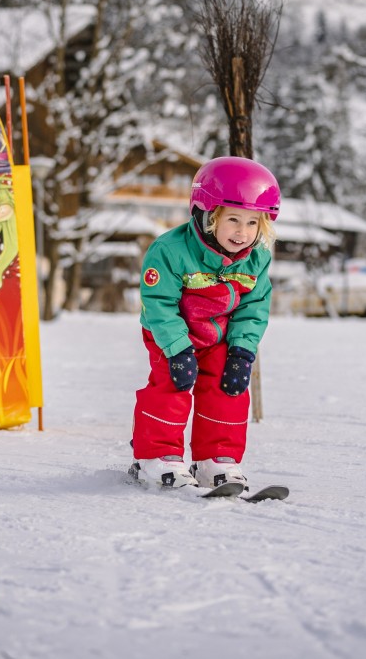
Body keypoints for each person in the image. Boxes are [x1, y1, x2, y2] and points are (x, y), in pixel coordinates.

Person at [130, 157, 280, 490]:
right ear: (209, 215)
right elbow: (158, 303)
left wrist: (242, 350)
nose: (243, 232)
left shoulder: (256, 258)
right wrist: (177, 349)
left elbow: (254, 306)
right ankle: (156, 459)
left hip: (219, 336)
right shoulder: (170, 250)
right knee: (172, 386)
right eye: (234, 220)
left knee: (229, 388)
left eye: (253, 223)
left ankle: (216, 460)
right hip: (169, 332)